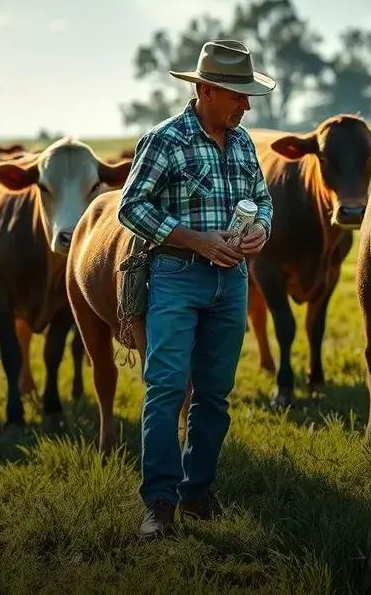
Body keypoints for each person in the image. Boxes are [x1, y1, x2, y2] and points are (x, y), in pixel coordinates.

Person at [118, 39, 275, 538]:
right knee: (165, 389)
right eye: (237, 95)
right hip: (176, 277)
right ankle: (159, 504)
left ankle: (197, 493)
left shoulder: (245, 143)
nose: (246, 105)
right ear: (207, 90)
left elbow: (262, 200)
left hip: (232, 282)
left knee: (215, 394)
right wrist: (194, 239)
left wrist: (260, 231)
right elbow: (130, 207)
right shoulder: (165, 139)